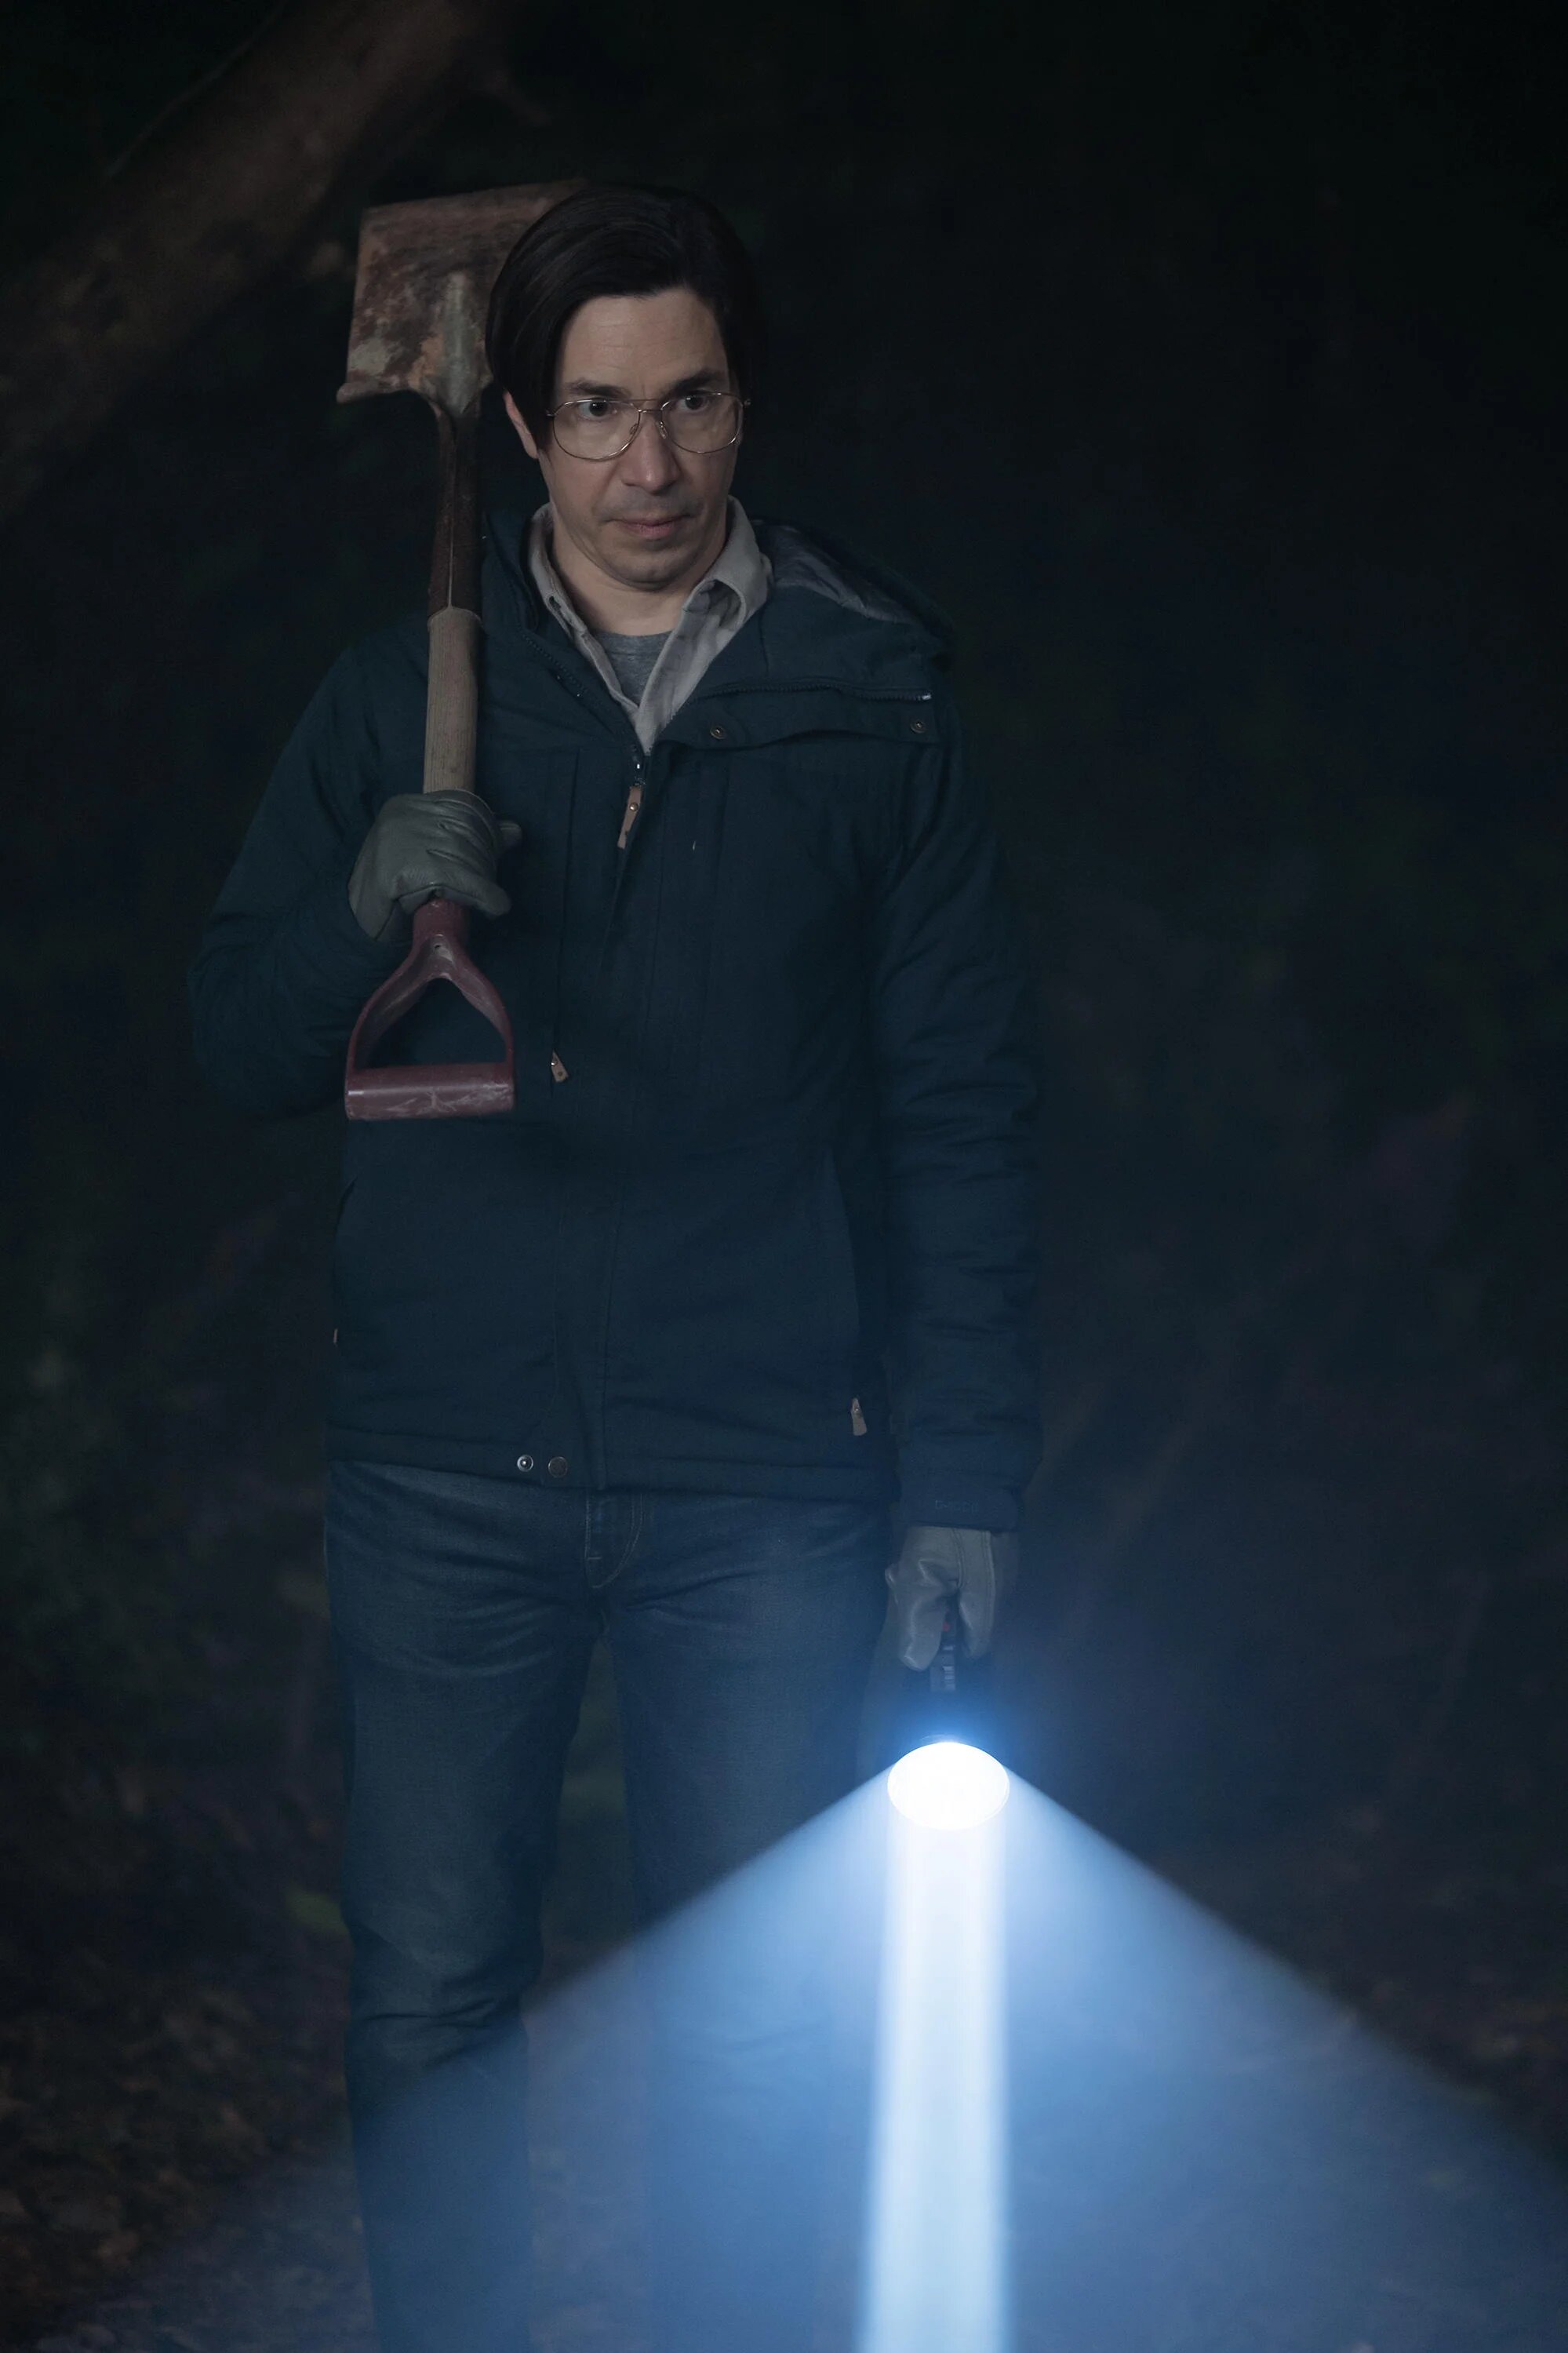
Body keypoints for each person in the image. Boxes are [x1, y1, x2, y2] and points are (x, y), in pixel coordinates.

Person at [188, 183, 1039, 2353]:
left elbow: (958, 1112)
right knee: (432, 2002)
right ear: (518, 421)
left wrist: (963, 1476)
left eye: (692, 403)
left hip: (761, 1477)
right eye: (594, 411)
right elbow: (234, 1049)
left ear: (747, 403)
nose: (649, 465)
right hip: (445, 1471)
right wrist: (362, 911)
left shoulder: (874, 699)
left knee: (752, 2017)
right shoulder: (405, 699)